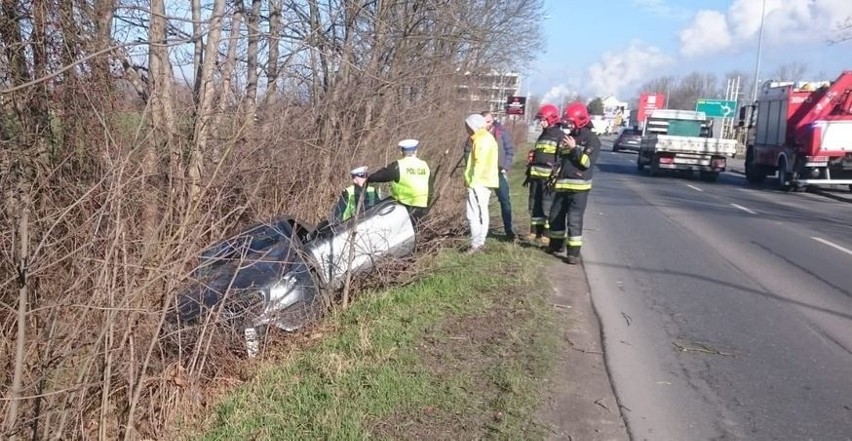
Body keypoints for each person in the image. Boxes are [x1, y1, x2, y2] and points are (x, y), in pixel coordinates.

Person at [545, 102, 601, 265]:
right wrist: (553, 175)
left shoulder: (591, 139)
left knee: (574, 220)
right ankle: (555, 246)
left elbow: (586, 163)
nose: (567, 125)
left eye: (570, 121)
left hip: (579, 188)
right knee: (555, 217)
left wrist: (575, 148)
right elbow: (559, 160)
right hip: (562, 185)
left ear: (580, 120)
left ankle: (573, 254)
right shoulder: (566, 137)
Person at [524, 103, 562, 245]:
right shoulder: (543, 134)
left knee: (547, 206)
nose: (541, 122)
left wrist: (555, 175)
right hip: (536, 176)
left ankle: (546, 234)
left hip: (548, 178)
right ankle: (534, 231)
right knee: (534, 204)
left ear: (552, 119)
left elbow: (559, 158)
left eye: (543, 119)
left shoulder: (559, 136)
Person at [366, 139, 431, 222]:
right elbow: (430, 186)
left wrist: (369, 178)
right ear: (416, 151)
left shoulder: (398, 166)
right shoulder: (424, 165)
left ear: (401, 152)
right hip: (422, 206)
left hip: (405, 206)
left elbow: (381, 176)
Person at [463, 113, 499, 253]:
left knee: (473, 215)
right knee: (481, 212)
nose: (466, 128)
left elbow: (479, 163)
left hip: (479, 182)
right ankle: (479, 242)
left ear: (472, 126)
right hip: (483, 181)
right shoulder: (485, 138)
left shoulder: (481, 140)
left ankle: (476, 244)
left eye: (467, 126)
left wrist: (472, 182)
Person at [482, 111, 516, 239]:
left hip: (498, 172)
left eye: (488, 121)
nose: (486, 124)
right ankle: (480, 232)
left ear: (492, 121)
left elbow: (510, 151)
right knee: (482, 202)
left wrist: (505, 167)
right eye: (484, 121)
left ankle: (509, 230)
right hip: (483, 173)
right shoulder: (476, 134)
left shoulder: (501, 133)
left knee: (505, 201)